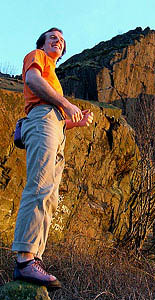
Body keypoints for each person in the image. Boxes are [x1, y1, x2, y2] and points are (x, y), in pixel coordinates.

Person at [12, 27, 93, 289]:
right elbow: (33, 83)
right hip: (43, 119)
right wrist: (68, 106)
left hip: (55, 127)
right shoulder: (37, 57)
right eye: (52, 37)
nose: (57, 40)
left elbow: (56, 122)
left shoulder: (54, 75)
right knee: (40, 187)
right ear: (43, 44)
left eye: (61, 39)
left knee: (50, 196)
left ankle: (34, 257)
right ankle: (24, 261)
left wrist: (74, 123)